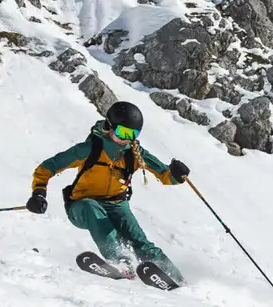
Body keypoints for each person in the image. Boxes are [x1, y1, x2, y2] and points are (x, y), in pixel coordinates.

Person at [27, 100, 190, 284]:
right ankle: (121, 263)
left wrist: (177, 174)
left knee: (140, 242)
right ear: (109, 126)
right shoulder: (90, 149)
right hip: (81, 207)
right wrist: (38, 193)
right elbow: (48, 167)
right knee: (92, 208)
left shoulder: (134, 152)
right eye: (123, 132)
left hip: (117, 205)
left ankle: (176, 279)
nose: (127, 138)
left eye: (133, 134)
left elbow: (165, 176)